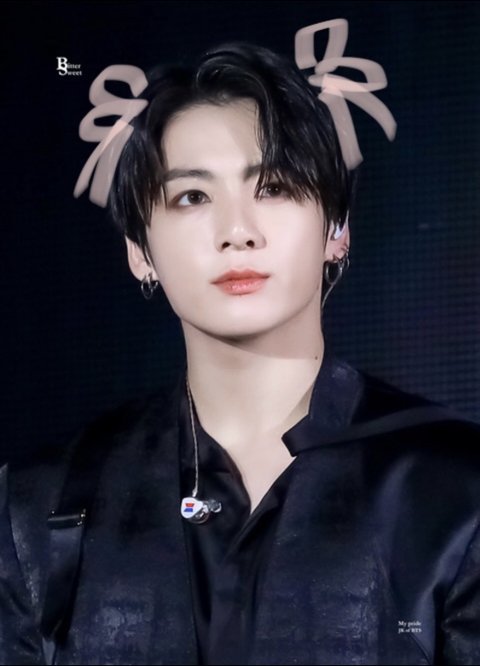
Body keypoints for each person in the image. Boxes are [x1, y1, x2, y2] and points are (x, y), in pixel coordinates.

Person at [1, 42, 479, 666]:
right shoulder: (38, 505)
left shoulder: (455, 487)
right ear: (140, 250)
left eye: (274, 187)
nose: (237, 231)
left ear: (336, 230)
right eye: (192, 197)